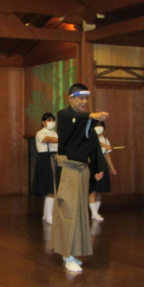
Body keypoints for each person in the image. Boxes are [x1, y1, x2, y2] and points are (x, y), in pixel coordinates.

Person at [52, 83, 109, 273]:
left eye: (86, 99)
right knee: (68, 212)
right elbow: (72, 117)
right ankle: (66, 255)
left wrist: (99, 166)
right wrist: (92, 115)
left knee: (79, 214)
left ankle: (73, 252)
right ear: (70, 98)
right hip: (67, 169)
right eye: (80, 98)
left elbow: (94, 144)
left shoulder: (87, 122)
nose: (84, 102)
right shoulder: (64, 115)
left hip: (82, 169)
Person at [88, 121, 117, 221]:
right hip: (93, 165)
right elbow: (94, 144)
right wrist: (104, 145)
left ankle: (95, 212)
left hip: (102, 165)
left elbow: (107, 155)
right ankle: (94, 212)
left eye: (100, 126)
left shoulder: (105, 139)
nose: (99, 128)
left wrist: (112, 168)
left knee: (100, 190)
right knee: (93, 190)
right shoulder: (90, 138)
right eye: (96, 126)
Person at [33, 112, 58, 224]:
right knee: (49, 188)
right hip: (44, 159)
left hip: (54, 158)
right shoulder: (40, 133)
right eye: (48, 120)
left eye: (52, 120)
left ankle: (46, 214)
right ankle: (49, 216)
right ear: (43, 122)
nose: (51, 122)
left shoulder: (55, 133)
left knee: (52, 187)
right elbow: (47, 139)